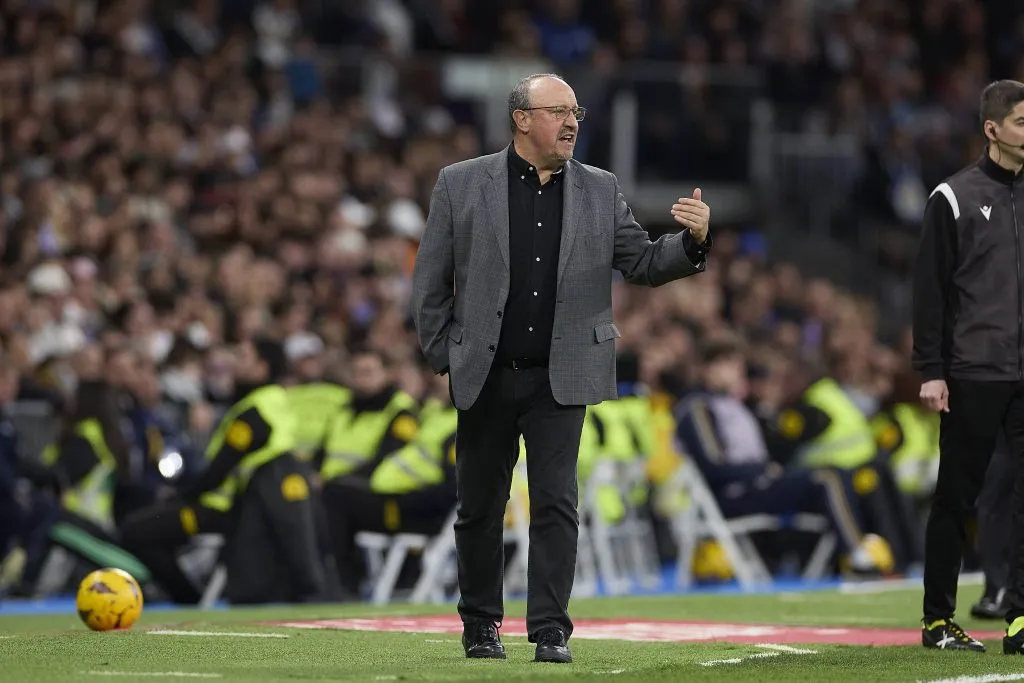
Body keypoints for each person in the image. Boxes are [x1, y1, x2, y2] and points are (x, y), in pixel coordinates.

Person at [411, 73, 711, 664]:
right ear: (522, 118)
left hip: (561, 374)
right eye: (558, 111)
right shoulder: (462, 183)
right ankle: (480, 626)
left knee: (556, 505)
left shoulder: (600, 189)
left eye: (577, 112)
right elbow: (429, 283)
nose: (572, 122)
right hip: (486, 371)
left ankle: (550, 629)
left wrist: (693, 241)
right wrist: (446, 353)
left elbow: (645, 263)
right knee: (479, 507)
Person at [912, 79, 1024, 654]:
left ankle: (1021, 619)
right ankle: (938, 620)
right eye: (1022, 122)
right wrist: (931, 368)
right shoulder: (952, 197)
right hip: (972, 371)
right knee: (957, 496)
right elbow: (929, 291)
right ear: (992, 129)